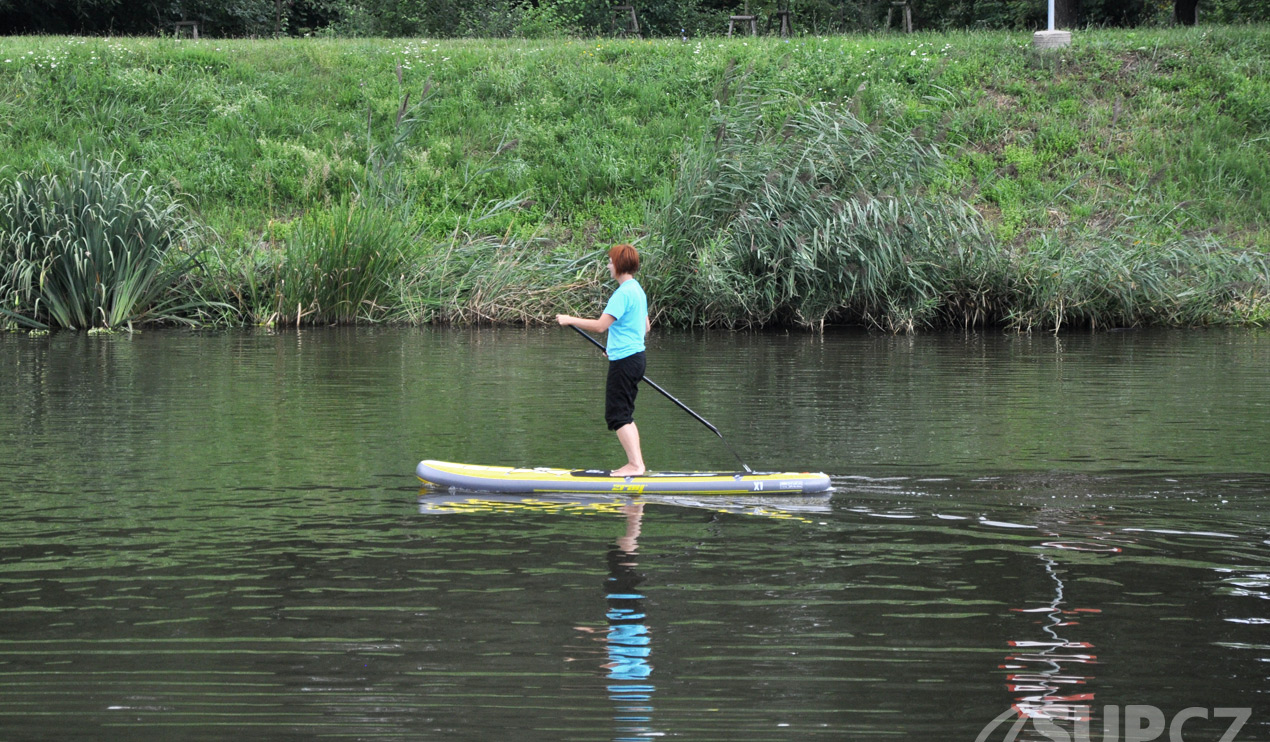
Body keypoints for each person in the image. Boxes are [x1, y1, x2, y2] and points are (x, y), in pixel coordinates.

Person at [556, 244, 650, 477]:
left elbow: (600, 326)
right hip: (635, 358)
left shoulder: (622, 294)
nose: (608, 265)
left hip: (626, 361)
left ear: (619, 264)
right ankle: (636, 464)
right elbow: (645, 327)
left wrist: (570, 319)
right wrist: (617, 347)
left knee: (618, 415)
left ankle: (636, 466)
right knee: (624, 413)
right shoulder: (638, 290)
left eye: (610, 261)